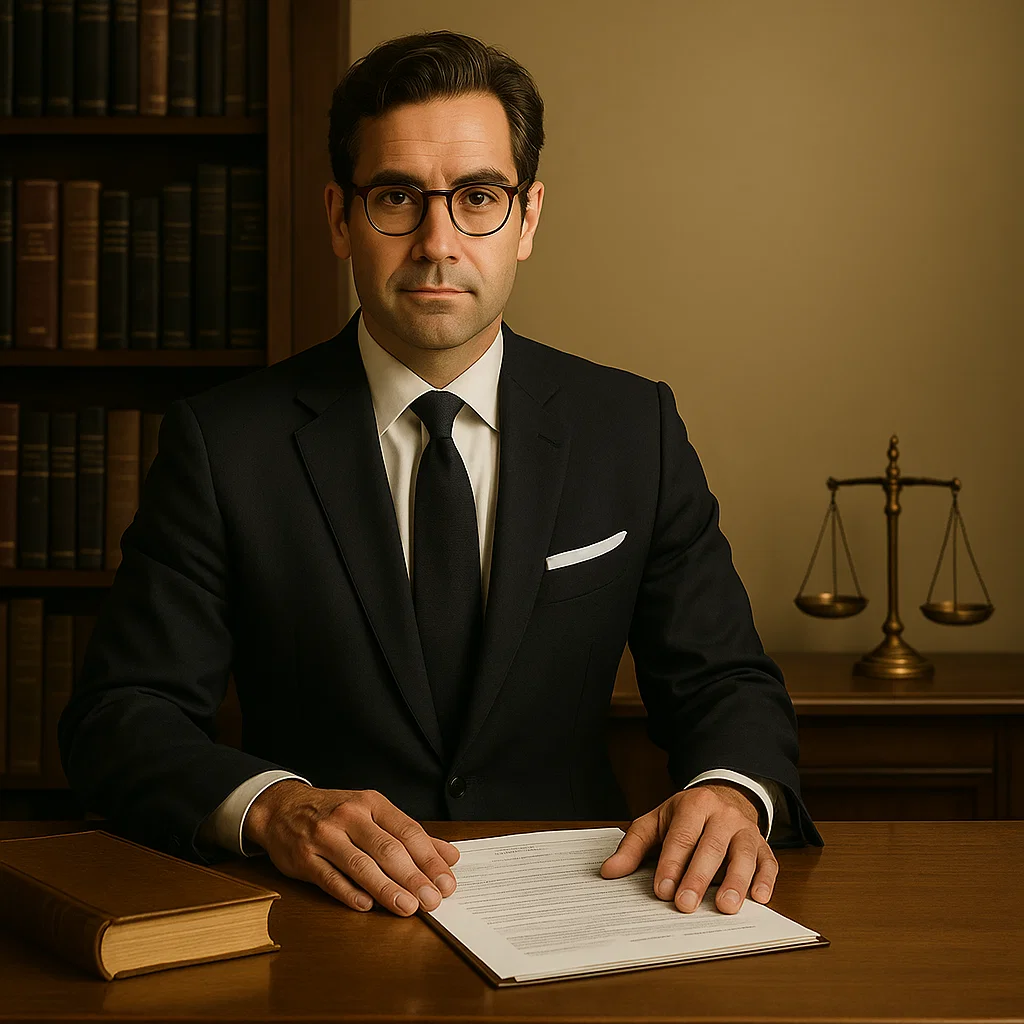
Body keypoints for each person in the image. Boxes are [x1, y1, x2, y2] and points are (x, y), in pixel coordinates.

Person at [58, 30, 823, 924]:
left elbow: (725, 681)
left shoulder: (632, 429)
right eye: (396, 198)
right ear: (340, 218)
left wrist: (731, 791)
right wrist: (274, 807)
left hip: (584, 911)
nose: (437, 241)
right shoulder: (225, 444)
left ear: (528, 217)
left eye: (477, 197)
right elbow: (120, 717)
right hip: (323, 920)